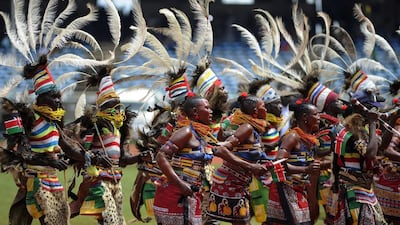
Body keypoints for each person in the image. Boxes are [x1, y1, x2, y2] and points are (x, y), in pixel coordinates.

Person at [153, 95, 268, 225]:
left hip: (192, 190)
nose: (211, 111)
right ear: (195, 112)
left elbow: (220, 150)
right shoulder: (186, 132)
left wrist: (250, 166)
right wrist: (180, 184)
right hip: (175, 192)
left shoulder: (203, 135)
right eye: (207, 108)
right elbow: (161, 156)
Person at [69, 67, 138, 225]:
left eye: (119, 106)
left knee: (119, 221)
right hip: (97, 178)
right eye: (115, 107)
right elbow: (83, 151)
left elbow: (123, 159)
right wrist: (95, 158)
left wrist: (141, 157)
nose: (119, 110)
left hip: (115, 179)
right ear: (105, 108)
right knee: (110, 221)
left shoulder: (118, 130)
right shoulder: (95, 126)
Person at [207, 93, 273, 225]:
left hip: (240, 182)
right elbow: (222, 148)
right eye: (263, 107)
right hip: (230, 182)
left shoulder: (253, 128)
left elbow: (247, 151)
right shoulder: (247, 127)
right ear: (255, 111)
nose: (266, 110)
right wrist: (251, 167)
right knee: (242, 221)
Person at [325, 90, 387, 225]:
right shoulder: (354, 131)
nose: (376, 111)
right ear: (363, 109)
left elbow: (380, 148)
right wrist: (372, 123)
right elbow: (370, 155)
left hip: (363, 190)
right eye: (373, 108)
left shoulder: (360, 130)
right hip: (356, 193)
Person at [267, 102, 322, 225]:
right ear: (305, 118)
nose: (319, 118)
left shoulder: (309, 139)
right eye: (315, 114)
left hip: (300, 190)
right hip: (286, 189)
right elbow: (278, 163)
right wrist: (306, 169)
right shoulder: (293, 137)